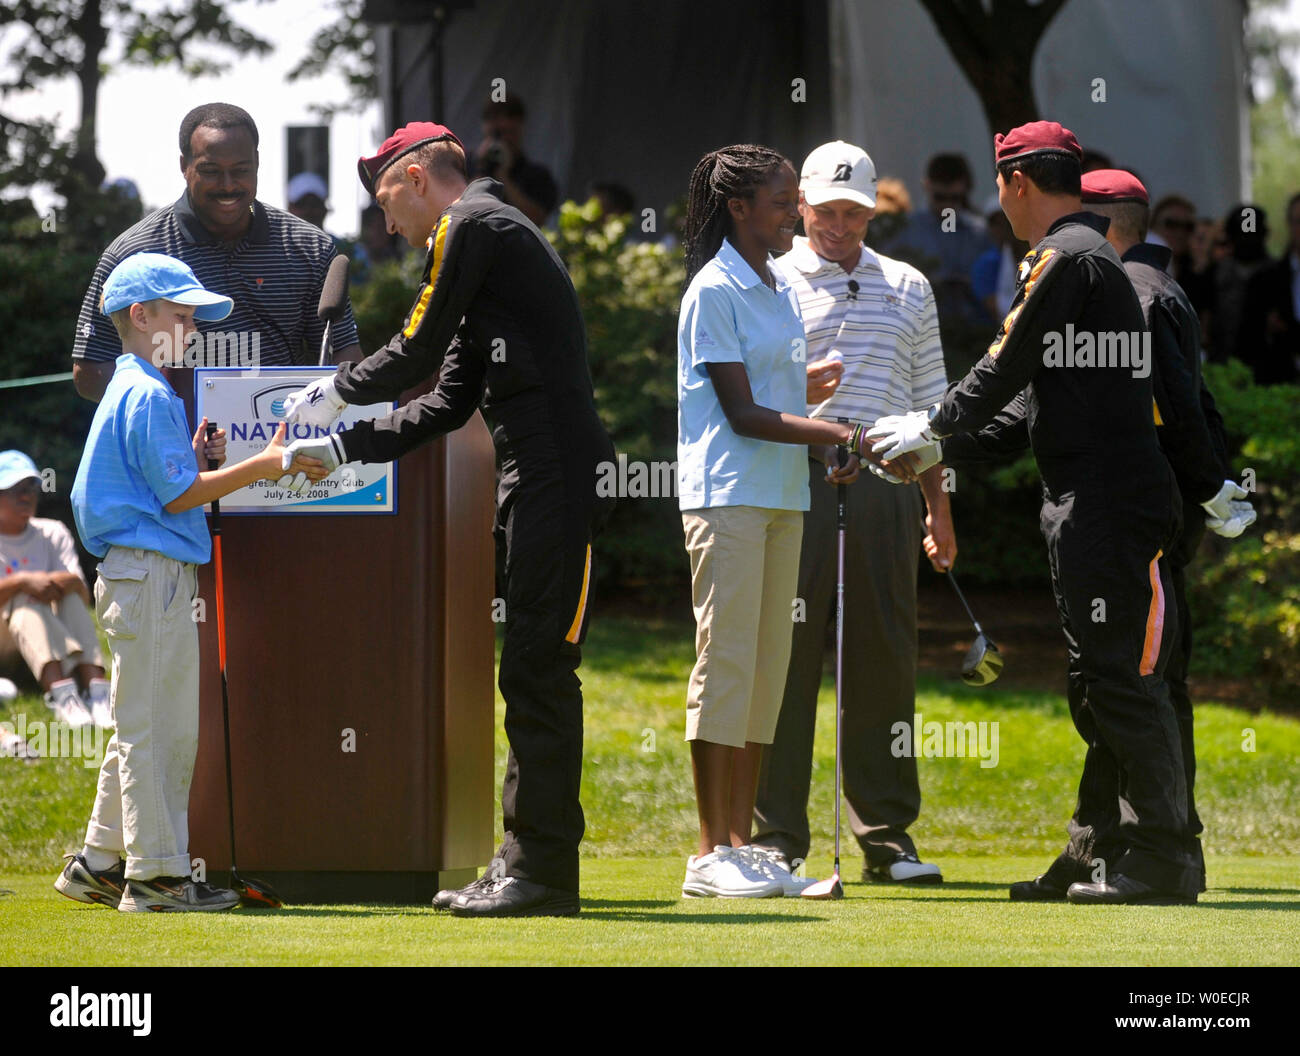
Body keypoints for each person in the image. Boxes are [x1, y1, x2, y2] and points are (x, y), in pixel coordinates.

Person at [277, 121, 614, 918]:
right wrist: (343, 448)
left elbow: (417, 343)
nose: (385, 222)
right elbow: (446, 399)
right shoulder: (482, 244)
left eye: (386, 197)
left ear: (421, 174)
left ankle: (541, 875)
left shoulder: (473, 225)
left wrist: (338, 388)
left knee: (538, 670)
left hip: (555, 478)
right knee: (529, 668)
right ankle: (523, 863)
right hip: (537, 477)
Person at [868, 121, 1202, 905]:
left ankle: (1162, 858)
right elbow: (1025, 411)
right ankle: (1100, 852)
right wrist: (939, 451)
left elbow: (1000, 364)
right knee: (1099, 684)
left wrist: (931, 423)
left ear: (1017, 182)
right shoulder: (1084, 259)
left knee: (1120, 682)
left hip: (1108, 509)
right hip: (1094, 506)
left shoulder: (1065, 256)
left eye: (1001, 187)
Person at [57, 253, 325, 912]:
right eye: (182, 316)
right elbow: (179, 496)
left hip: (139, 577)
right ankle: (158, 880)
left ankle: (96, 863)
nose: (193, 329)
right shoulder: (148, 391)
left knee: (137, 726)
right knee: (160, 732)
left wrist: (209, 462)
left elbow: (169, 483)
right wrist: (265, 463)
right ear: (141, 316)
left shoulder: (138, 384)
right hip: (150, 578)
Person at [674, 143, 891, 899]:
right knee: (727, 665)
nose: (788, 213)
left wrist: (808, 390)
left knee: (766, 673)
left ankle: (745, 844)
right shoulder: (714, 288)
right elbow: (737, 411)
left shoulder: (776, 286)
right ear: (739, 207)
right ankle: (709, 854)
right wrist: (839, 434)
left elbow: (765, 389)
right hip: (726, 495)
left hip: (781, 495)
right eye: (779, 201)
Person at [750, 140, 955, 887]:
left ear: (873, 212)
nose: (840, 226)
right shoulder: (765, 281)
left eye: (855, 213)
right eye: (827, 211)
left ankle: (886, 830)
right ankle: (775, 833)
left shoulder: (907, 285)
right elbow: (742, 395)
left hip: (886, 484)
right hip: (791, 478)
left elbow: (931, 402)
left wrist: (940, 506)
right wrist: (796, 388)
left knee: (883, 658)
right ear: (800, 208)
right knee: (785, 656)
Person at [1081, 168, 1256, 897]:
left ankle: (1161, 850)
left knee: (1138, 682)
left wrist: (1212, 485)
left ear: (1105, 227)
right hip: (1164, 511)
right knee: (1140, 680)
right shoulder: (1155, 287)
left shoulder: (1137, 294)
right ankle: (1110, 844)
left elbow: (1178, 406)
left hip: (1146, 517)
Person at [72, 103, 361, 403]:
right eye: (210, 171)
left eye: (241, 171)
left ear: (257, 163)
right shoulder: (133, 254)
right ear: (184, 166)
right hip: (176, 439)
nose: (227, 185)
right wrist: (167, 404)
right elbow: (90, 369)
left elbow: (342, 352)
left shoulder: (310, 248)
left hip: (284, 434)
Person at [0, 451, 107, 728]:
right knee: (23, 600)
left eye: (32, 488)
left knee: (69, 596)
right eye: (16, 490)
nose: (27, 497)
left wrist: (56, 584)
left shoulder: (53, 531)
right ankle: (62, 695)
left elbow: (83, 597)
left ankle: (97, 692)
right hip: (6, 646)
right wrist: (22, 582)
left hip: (53, 637)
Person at [885, 153, 994, 329]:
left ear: (966, 191)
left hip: (973, 331)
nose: (947, 206)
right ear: (927, 186)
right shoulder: (905, 231)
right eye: (940, 198)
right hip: (920, 327)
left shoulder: (980, 233)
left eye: (955, 199)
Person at [1238, 190, 1300, 385]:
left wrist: (1287, 330)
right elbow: (1249, 339)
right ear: (1289, 225)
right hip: (1279, 388)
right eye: (1299, 221)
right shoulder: (1265, 280)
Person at [470, 96, 558, 226]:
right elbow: (456, 211)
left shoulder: (538, 175)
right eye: (496, 134)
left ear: (520, 129)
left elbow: (536, 220)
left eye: (508, 132)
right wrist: (482, 168)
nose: (503, 140)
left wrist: (503, 177)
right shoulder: (467, 166)